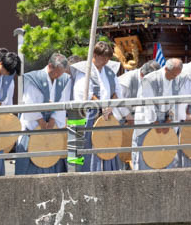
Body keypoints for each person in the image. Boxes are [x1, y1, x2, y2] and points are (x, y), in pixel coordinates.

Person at [15, 53, 72, 176]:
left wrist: (52, 121)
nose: (58, 76)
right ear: (50, 66)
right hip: (34, 125)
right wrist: (41, 122)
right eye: (57, 72)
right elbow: (29, 103)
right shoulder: (34, 79)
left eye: (61, 73)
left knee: (54, 161)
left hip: (52, 126)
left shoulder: (64, 79)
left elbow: (63, 103)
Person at [74, 41, 123, 172]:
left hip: (107, 114)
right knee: (88, 148)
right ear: (95, 55)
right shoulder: (84, 71)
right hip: (88, 114)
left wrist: (110, 107)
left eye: (108, 58)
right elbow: (85, 93)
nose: (106, 61)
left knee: (108, 144)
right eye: (103, 57)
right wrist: (102, 107)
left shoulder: (110, 72)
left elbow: (117, 92)